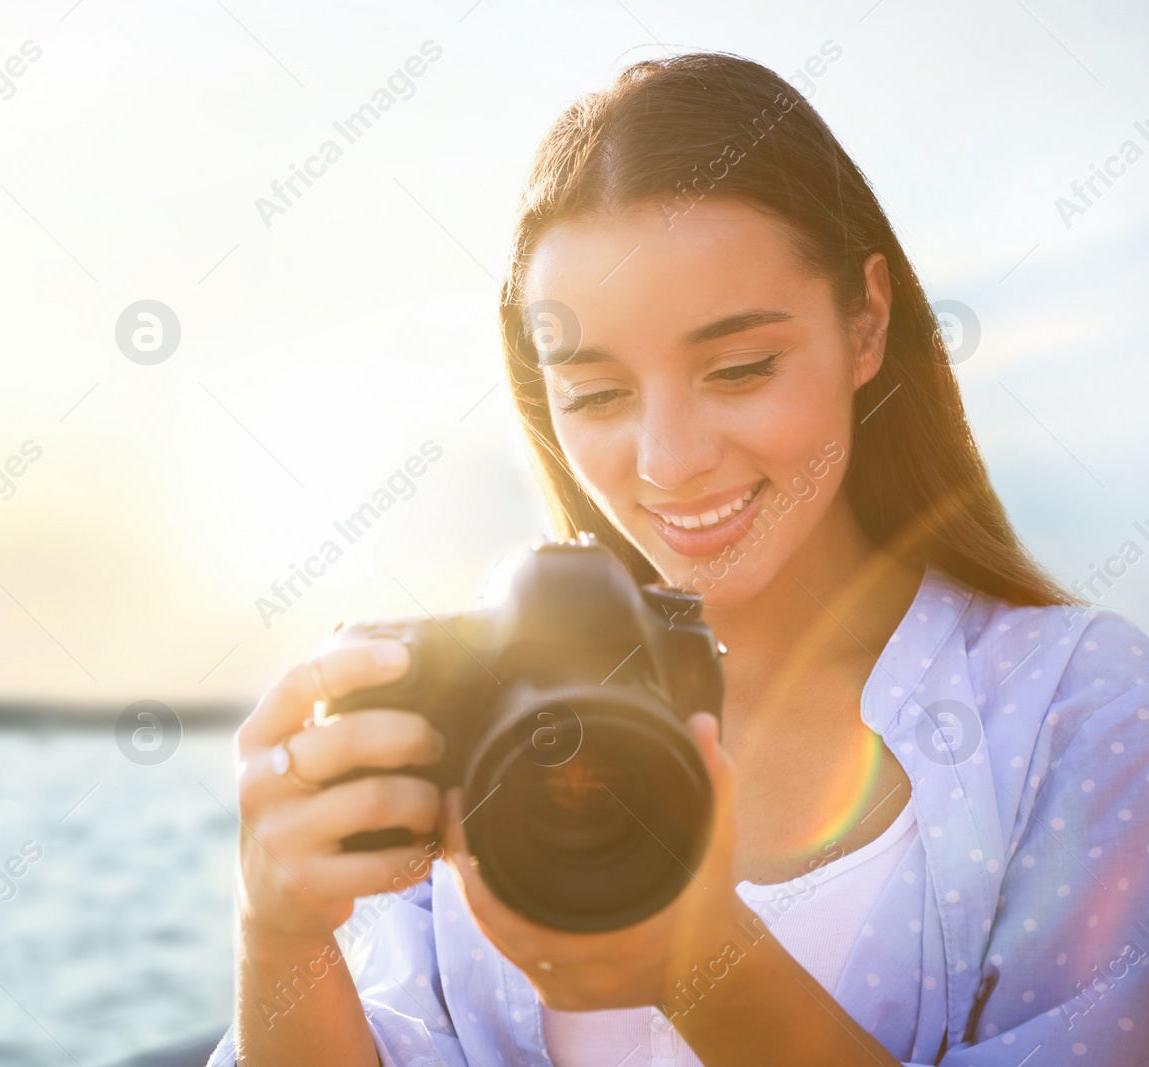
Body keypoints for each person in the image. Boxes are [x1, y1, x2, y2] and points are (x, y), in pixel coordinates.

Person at [207, 52, 1149, 1065]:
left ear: (866, 320)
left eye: (740, 368)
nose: (669, 461)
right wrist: (277, 935)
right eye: (598, 395)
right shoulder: (478, 719)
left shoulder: (1076, 706)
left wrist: (700, 959)